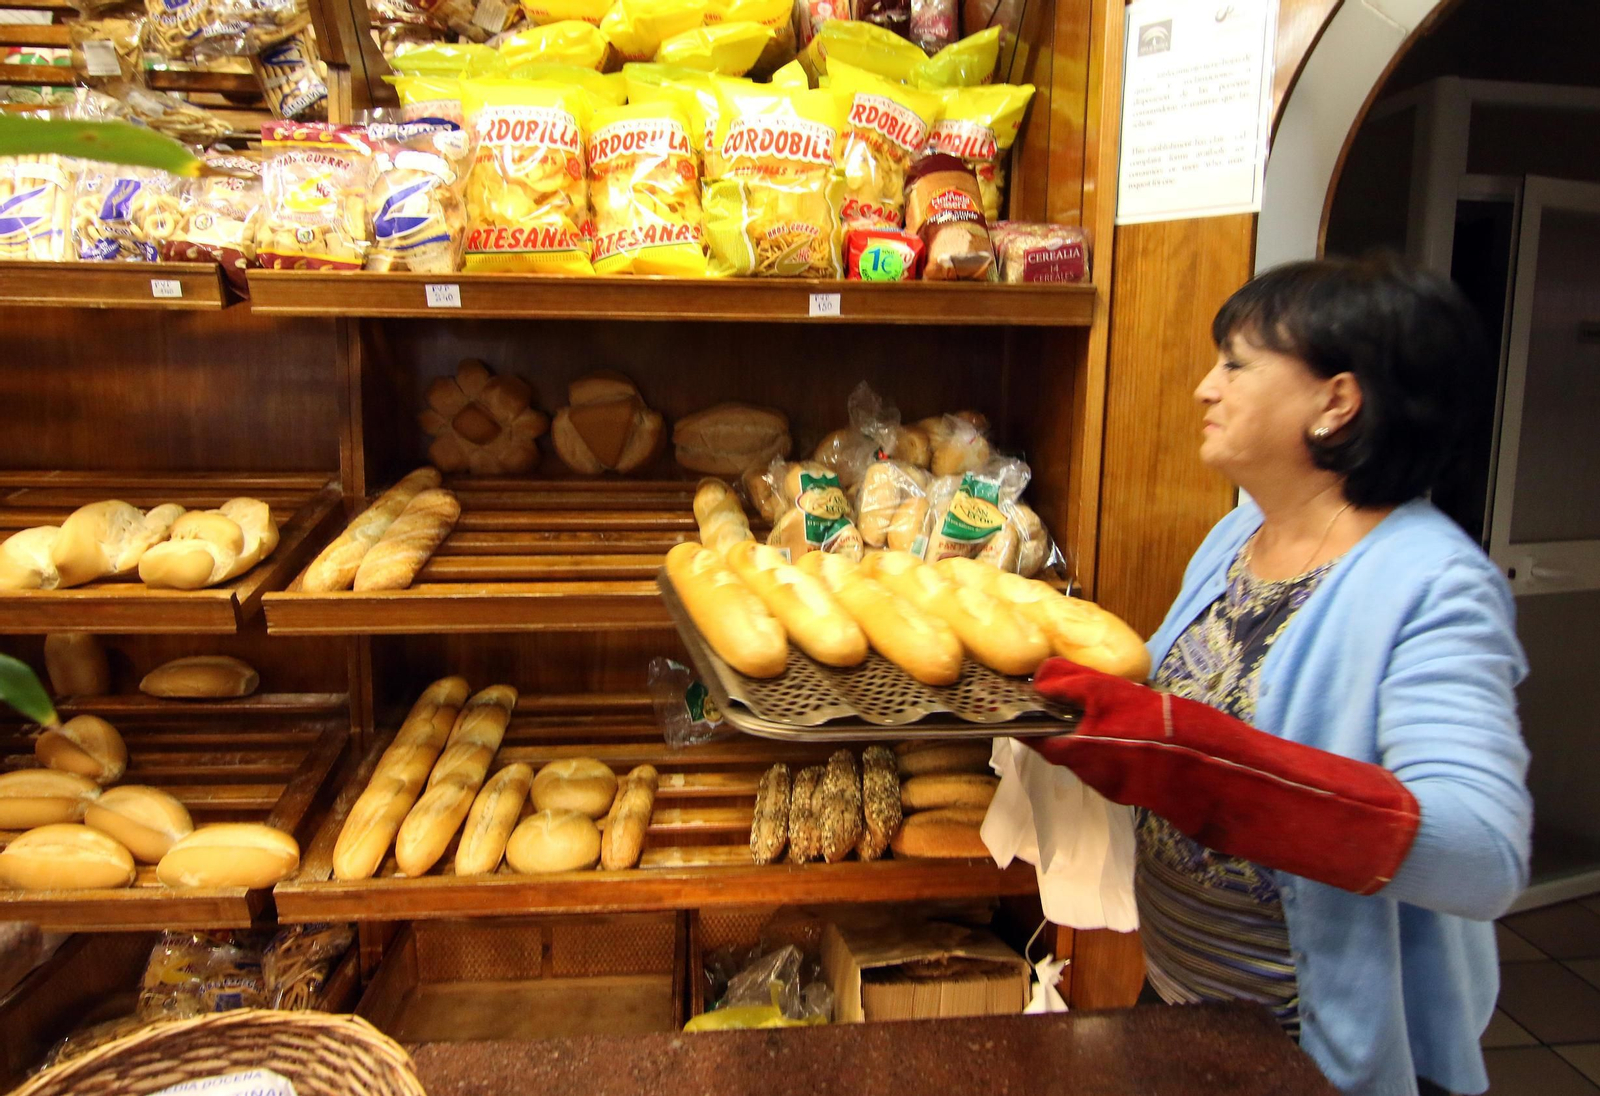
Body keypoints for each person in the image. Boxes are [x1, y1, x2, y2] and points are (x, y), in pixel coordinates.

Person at [1031, 256, 1532, 1096]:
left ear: (1336, 403)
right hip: (1185, 1003)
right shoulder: (1236, 538)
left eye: (1234, 364)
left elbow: (1483, 853)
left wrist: (1201, 762)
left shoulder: (1434, 582)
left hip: (1319, 1053)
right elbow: (1167, 712)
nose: (1203, 387)